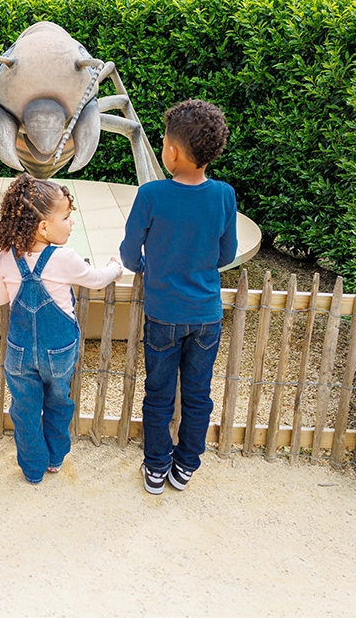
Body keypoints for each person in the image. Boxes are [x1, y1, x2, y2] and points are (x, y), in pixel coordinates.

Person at [119, 99, 237, 495]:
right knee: (198, 393)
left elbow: (128, 253)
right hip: (206, 316)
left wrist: (144, 265)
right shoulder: (224, 195)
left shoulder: (151, 194)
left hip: (163, 314)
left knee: (159, 392)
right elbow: (226, 254)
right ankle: (186, 465)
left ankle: (156, 466)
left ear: (171, 151)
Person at [0, 173, 124, 484]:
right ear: (43, 227)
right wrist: (116, 268)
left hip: (20, 352)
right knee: (59, 401)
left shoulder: (6, 257)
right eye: (66, 217)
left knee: (24, 409)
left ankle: (32, 467)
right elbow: (96, 279)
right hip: (59, 350)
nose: (71, 222)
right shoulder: (64, 258)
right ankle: (55, 457)